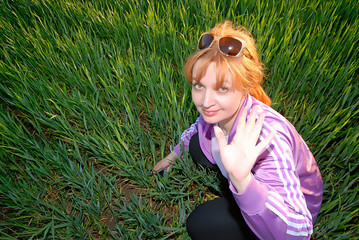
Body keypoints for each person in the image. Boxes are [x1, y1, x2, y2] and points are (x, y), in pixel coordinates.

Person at [153, 21, 323, 240]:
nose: (206, 102)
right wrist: (173, 155)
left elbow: (301, 232)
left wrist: (243, 181)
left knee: (201, 224)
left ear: (246, 87)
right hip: (239, 167)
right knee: (197, 144)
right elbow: (198, 126)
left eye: (222, 88)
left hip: (280, 212)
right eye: (199, 85)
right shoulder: (217, 112)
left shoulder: (268, 139)